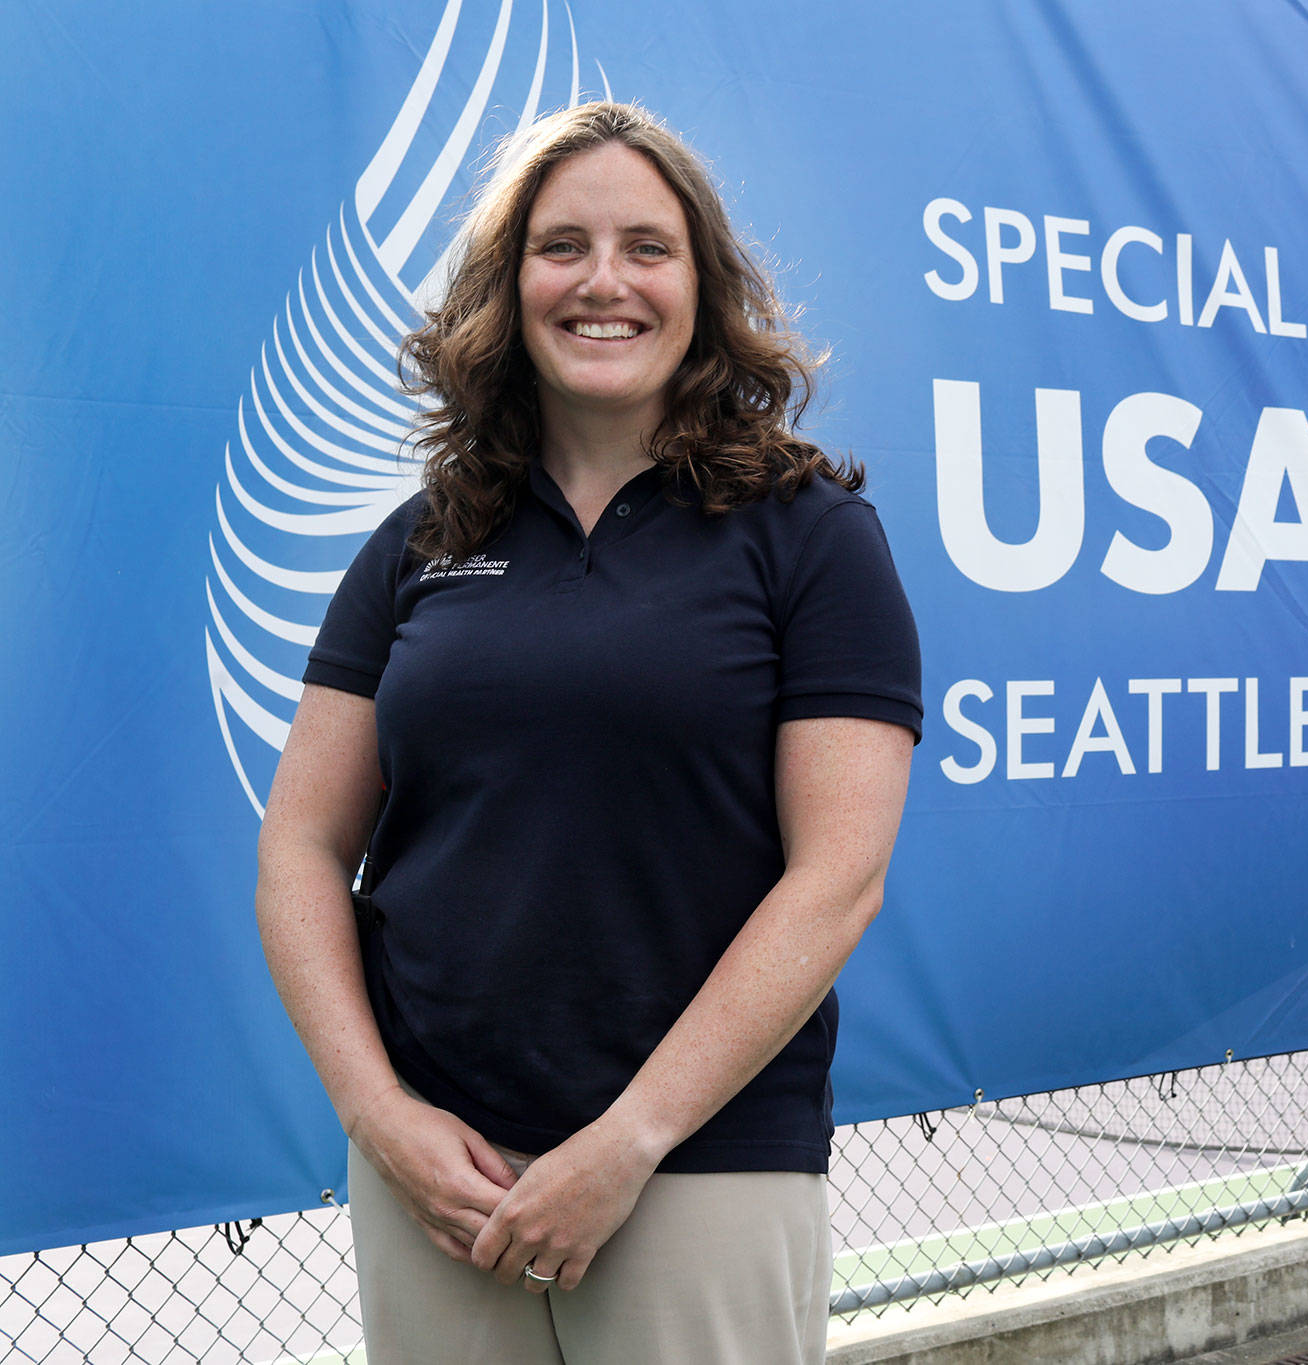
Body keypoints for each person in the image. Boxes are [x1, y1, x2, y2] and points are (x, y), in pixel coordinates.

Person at [254, 100, 921, 1364]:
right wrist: (377, 1112)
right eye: (560, 247)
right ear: (507, 290)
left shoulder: (809, 535)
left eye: (646, 247)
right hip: (436, 1180)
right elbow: (298, 848)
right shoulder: (418, 543)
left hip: (696, 1167)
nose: (602, 282)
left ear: (704, 286)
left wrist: (630, 1142)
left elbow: (837, 880)